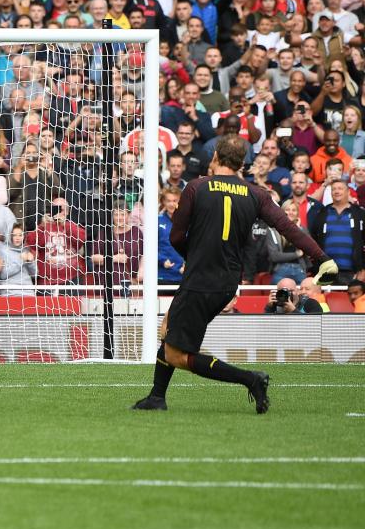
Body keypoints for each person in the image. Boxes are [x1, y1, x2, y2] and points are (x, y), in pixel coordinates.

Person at [132, 135, 337, 414]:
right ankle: (157, 397)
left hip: (200, 279)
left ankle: (250, 379)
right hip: (228, 282)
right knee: (168, 331)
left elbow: (177, 236)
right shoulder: (256, 194)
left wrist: (193, 255)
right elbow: (288, 228)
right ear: (242, 164)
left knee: (176, 353)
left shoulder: (196, 187)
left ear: (215, 157)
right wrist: (322, 258)